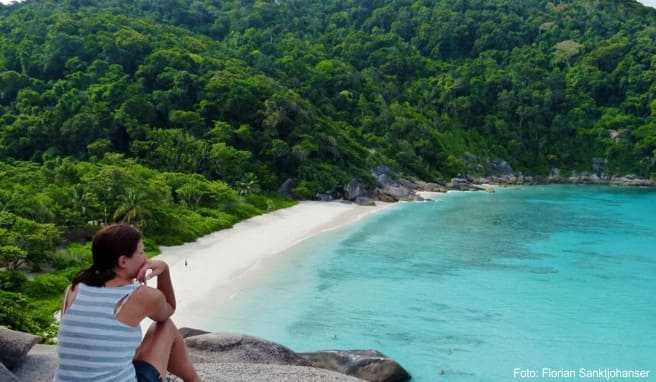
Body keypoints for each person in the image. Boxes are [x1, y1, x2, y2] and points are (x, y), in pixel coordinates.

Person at [54, 223, 201, 382]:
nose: (145, 258)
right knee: (165, 326)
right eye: (141, 252)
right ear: (123, 261)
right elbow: (168, 309)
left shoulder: (73, 290)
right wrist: (164, 270)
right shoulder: (140, 295)